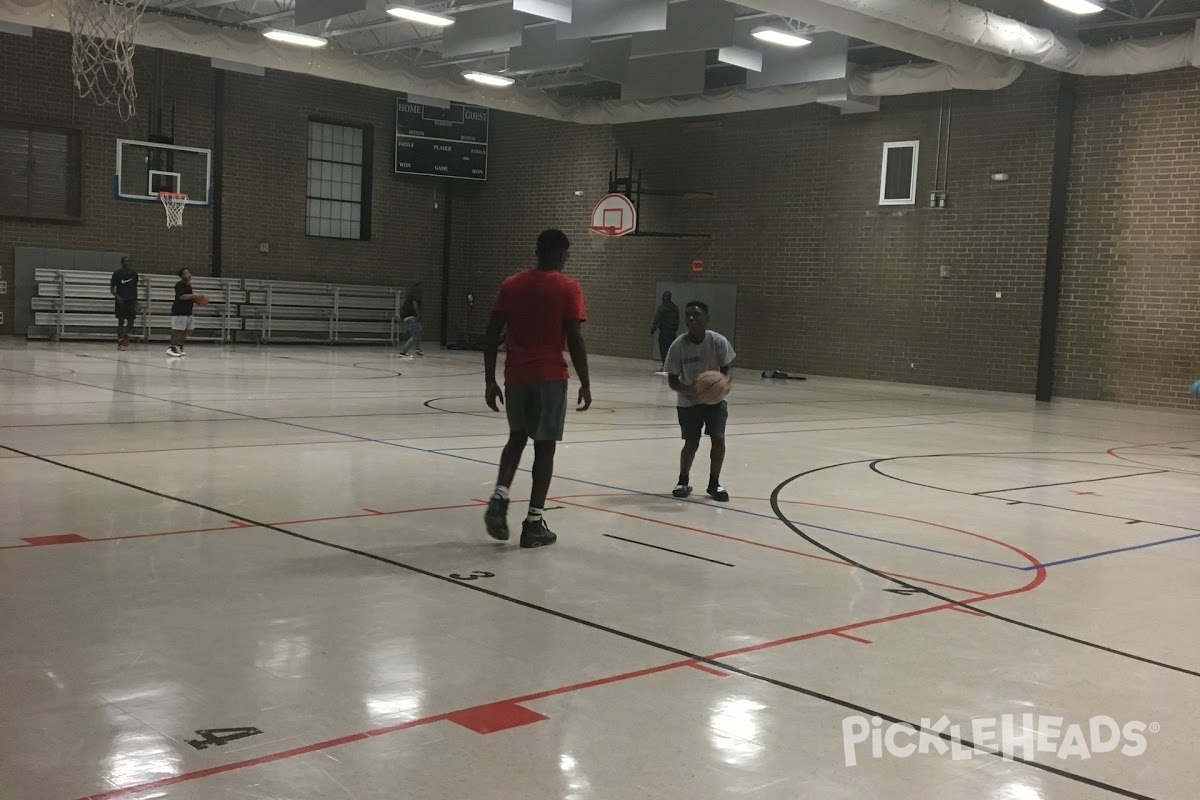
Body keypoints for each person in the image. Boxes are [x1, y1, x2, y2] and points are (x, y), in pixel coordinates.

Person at [483, 229, 591, 548]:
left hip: (516, 375)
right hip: (549, 376)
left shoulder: (511, 285)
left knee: (516, 438)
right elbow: (574, 336)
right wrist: (585, 380)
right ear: (561, 254)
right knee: (544, 446)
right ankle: (533, 524)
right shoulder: (568, 288)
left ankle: (500, 495)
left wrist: (489, 380)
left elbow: (491, 333)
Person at [664, 300, 735, 502]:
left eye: (697, 315)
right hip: (688, 402)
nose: (692, 318)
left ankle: (714, 483)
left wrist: (721, 385)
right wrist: (691, 390)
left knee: (718, 438)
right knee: (691, 442)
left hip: (715, 401)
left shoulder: (718, 342)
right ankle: (682, 480)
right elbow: (672, 381)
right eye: (689, 315)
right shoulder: (678, 346)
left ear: (706, 319)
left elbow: (726, 371)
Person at [110, 256, 139, 350]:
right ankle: (120, 341)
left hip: (131, 300)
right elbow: (112, 289)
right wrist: (117, 297)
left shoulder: (134, 274)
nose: (128, 263)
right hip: (121, 301)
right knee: (121, 322)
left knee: (131, 322)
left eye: (129, 261)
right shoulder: (117, 273)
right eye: (126, 261)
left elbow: (135, 288)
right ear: (122, 262)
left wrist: (136, 301)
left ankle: (125, 337)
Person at [168, 268, 198, 358]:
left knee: (188, 330)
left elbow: (189, 298)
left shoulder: (188, 285)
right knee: (177, 330)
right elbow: (181, 297)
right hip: (179, 311)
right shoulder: (180, 284)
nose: (188, 275)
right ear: (181, 276)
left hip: (188, 311)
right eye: (186, 273)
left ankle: (179, 346)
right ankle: (172, 347)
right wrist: (193, 296)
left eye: (189, 273)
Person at [650, 291, 679, 373]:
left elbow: (657, 318)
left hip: (665, 331)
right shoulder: (674, 307)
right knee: (670, 349)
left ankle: (665, 366)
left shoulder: (663, 307)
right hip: (672, 331)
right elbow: (677, 319)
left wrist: (653, 328)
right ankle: (671, 367)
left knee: (664, 348)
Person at [397, 282, 423, 358]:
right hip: (411, 317)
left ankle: (417, 348)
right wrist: (418, 315)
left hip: (407, 317)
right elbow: (415, 306)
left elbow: (402, 307)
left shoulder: (409, 297)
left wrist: (401, 316)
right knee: (416, 335)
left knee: (419, 331)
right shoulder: (414, 297)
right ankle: (403, 352)